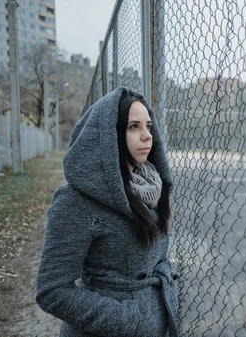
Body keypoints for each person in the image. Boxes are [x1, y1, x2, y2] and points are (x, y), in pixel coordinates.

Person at [35, 87, 179, 337]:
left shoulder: (149, 187)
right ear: (108, 136)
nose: (147, 136)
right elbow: (52, 290)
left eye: (148, 125)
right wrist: (130, 322)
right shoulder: (75, 201)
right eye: (134, 126)